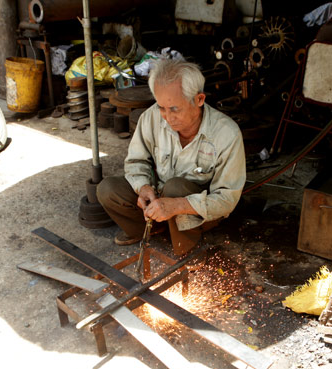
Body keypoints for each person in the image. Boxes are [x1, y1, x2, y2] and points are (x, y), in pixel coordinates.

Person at [97, 58, 246, 256]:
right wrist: (143, 187)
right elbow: (136, 161)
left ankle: (185, 250)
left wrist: (177, 205)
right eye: (161, 107)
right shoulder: (151, 117)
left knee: (175, 187)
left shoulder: (226, 133)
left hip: (197, 211)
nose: (167, 117)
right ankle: (153, 229)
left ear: (199, 100)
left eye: (175, 108)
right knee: (107, 189)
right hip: (159, 196)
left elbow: (227, 198)